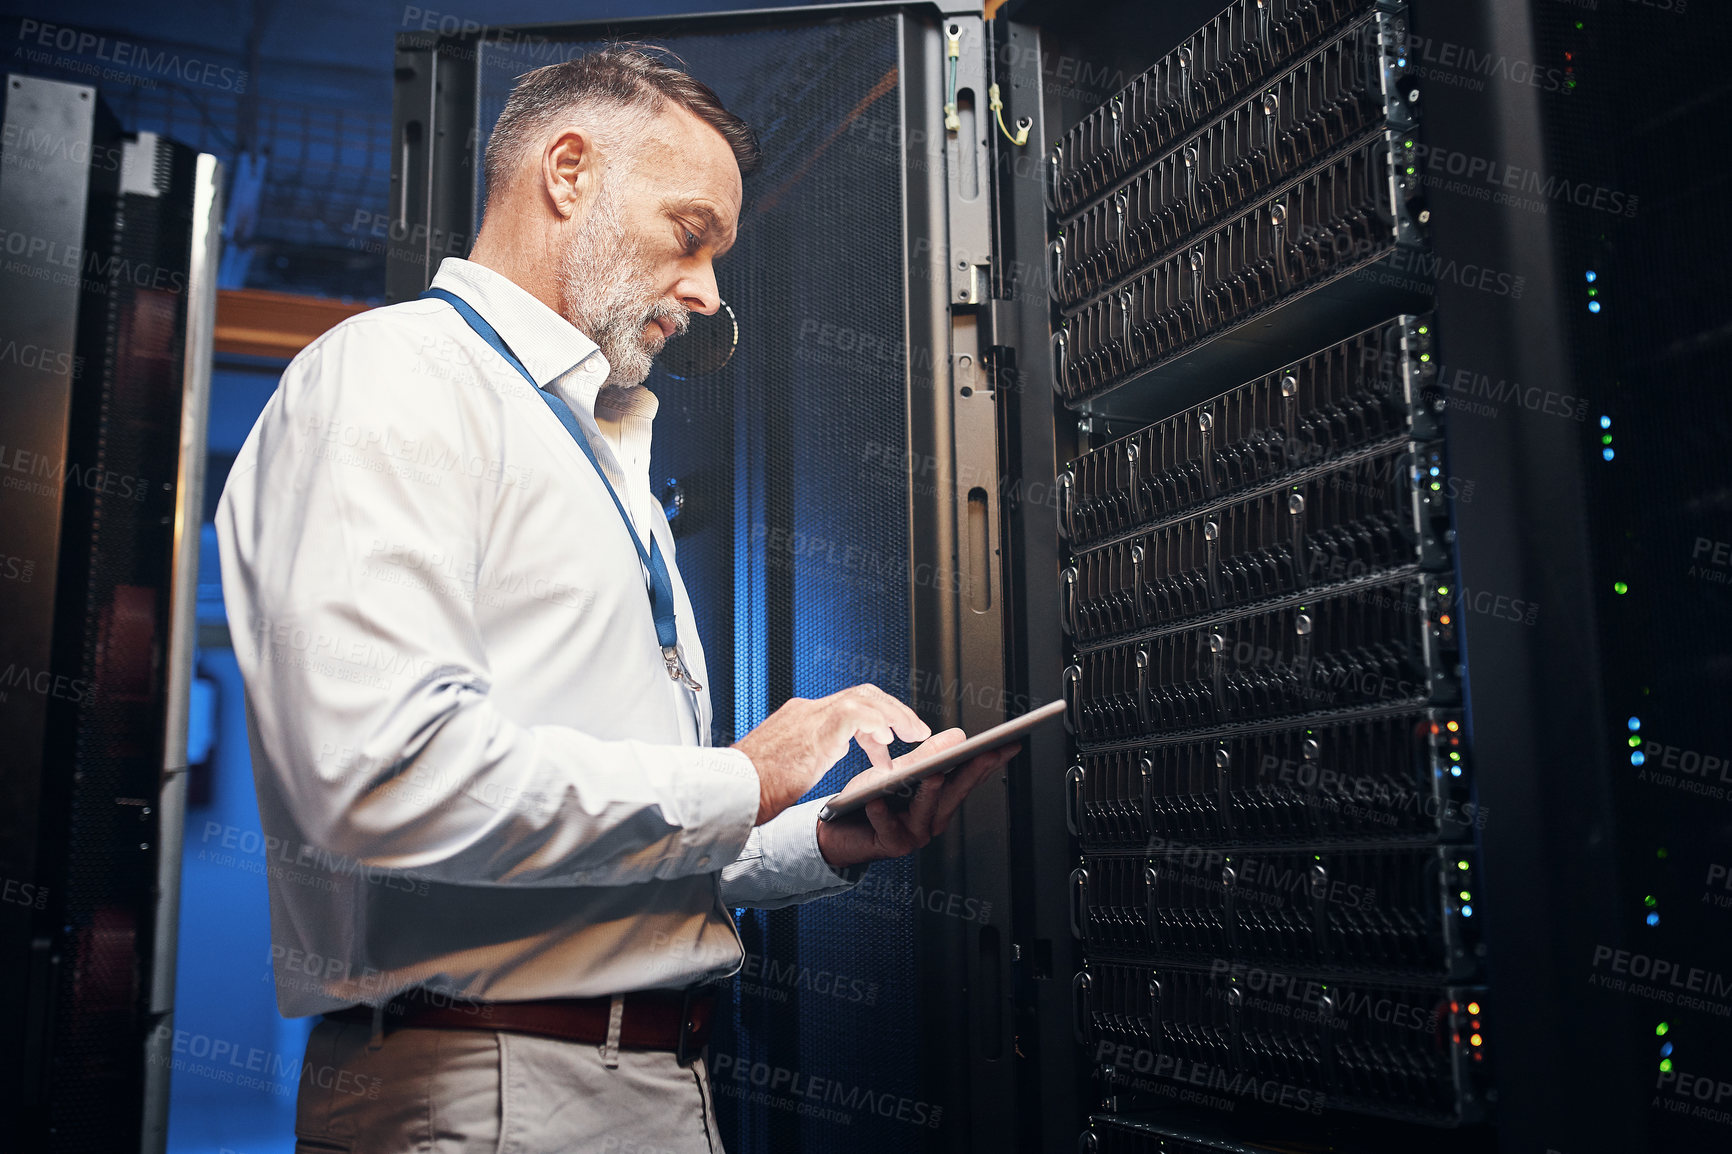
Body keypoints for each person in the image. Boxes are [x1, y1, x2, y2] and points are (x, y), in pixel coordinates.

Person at [215, 44, 1014, 1154]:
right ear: (570, 171)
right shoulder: (394, 378)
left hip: (619, 1077)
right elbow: (386, 778)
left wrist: (820, 838)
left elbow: (587, 844)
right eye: (692, 235)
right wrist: (743, 770)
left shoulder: (591, 435)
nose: (708, 291)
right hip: (488, 1088)